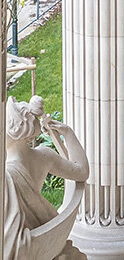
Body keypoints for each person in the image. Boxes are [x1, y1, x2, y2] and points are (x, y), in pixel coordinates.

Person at [5, 96, 89, 260]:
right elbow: (82, 171)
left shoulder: (7, 175)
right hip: (42, 229)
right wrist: (67, 133)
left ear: (14, 131)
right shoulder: (44, 155)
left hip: (30, 234)